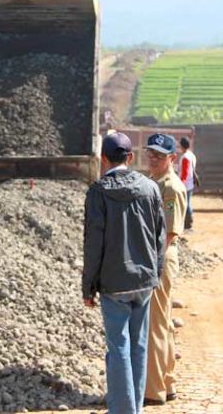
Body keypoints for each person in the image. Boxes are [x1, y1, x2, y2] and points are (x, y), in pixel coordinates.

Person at [83, 132, 167, 414]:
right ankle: (136, 409)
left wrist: (88, 287)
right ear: (130, 158)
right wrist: (156, 274)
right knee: (138, 346)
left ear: (103, 159)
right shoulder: (150, 188)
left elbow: (93, 242)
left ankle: (123, 410)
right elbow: (159, 236)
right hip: (144, 282)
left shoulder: (98, 192)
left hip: (114, 283)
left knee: (118, 348)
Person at [143, 133, 187, 405]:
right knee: (163, 322)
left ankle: (154, 390)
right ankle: (166, 382)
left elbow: (168, 234)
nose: (153, 158)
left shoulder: (170, 187)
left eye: (160, 155)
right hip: (156, 257)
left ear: (173, 157)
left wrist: (148, 265)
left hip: (158, 258)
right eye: (150, 153)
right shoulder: (154, 182)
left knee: (155, 325)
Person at [177, 137, 198, 230]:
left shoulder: (185, 157)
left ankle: (188, 225)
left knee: (186, 204)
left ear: (182, 145)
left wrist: (180, 184)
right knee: (187, 203)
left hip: (185, 184)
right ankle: (188, 224)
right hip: (189, 183)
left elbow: (185, 173)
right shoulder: (191, 155)